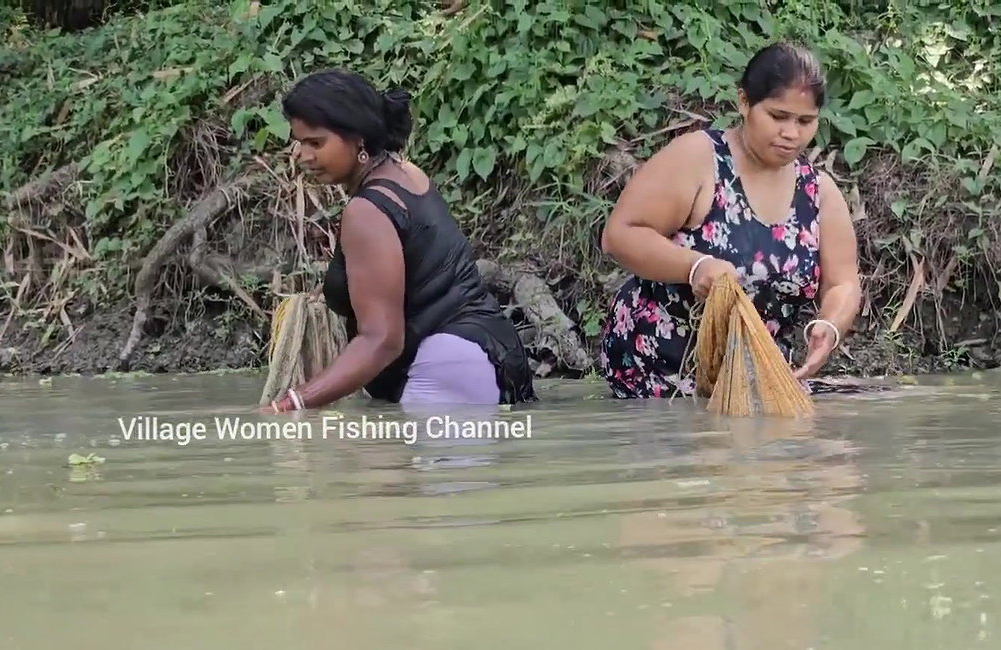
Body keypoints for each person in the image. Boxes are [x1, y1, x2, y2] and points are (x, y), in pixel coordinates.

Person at [597, 41, 862, 400]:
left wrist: (829, 325)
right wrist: (695, 266)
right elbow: (620, 235)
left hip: (754, 378)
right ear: (744, 102)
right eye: (778, 116)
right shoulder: (700, 160)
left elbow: (842, 283)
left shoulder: (818, 192)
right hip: (657, 374)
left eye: (805, 121)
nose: (792, 133)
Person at [260, 68, 535, 413]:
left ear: (359, 139)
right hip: (494, 355)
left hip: (445, 370)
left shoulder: (366, 211)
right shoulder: (406, 173)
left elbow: (382, 340)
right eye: (299, 142)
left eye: (316, 143)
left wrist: (290, 403)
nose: (303, 155)